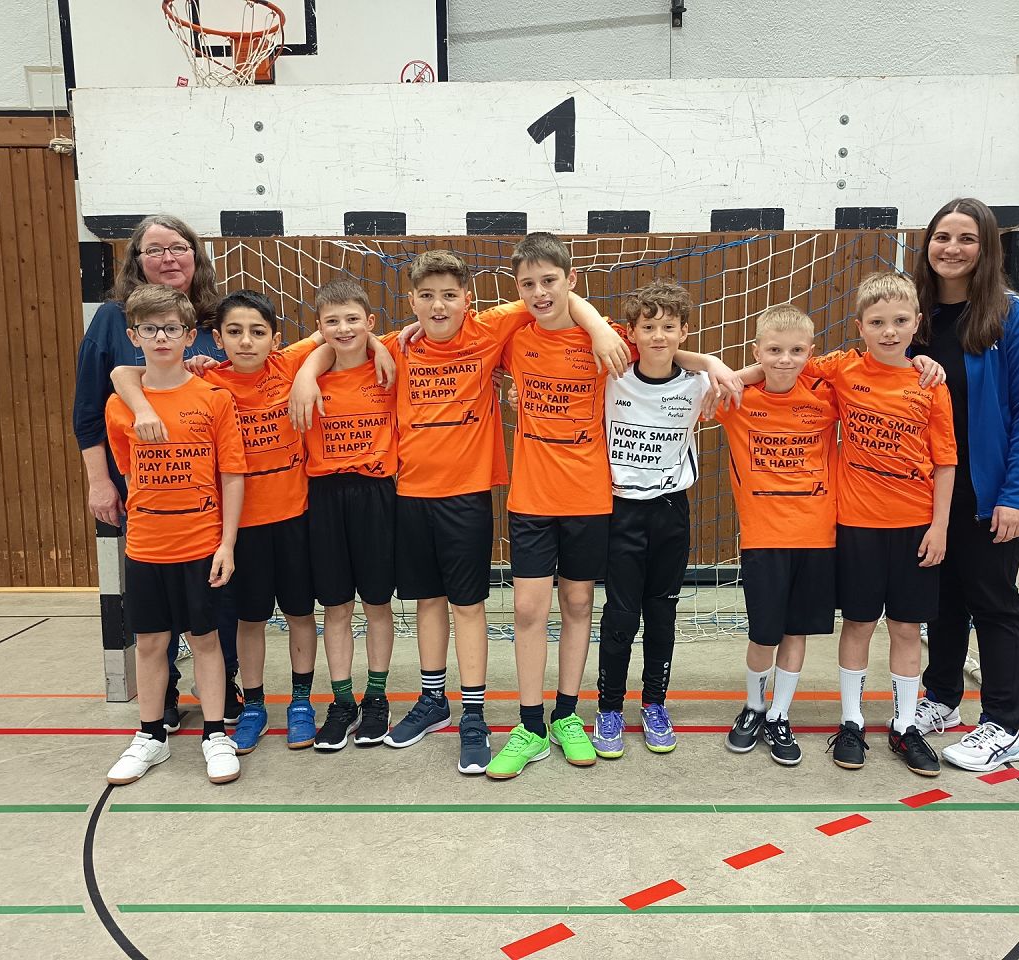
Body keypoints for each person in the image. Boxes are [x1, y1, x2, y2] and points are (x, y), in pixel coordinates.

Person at [290, 251, 628, 775]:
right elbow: (337, 341)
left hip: (469, 496)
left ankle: (475, 713)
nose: (438, 305)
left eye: (449, 295)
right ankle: (433, 702)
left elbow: (550, 298)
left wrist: (600, 329)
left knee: (469, 606)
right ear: (411, 302)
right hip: (409, 495)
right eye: (426, 296)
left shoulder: (490, 330)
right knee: (428, 600)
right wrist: (307, 374)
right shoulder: (397, 347)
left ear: (468, 299)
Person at [486, 234, 742, 781]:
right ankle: (529, 726)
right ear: (517, 289)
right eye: (528, 284)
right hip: (531, 497)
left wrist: (710, 359)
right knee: (528, 610)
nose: (540, 292)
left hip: (589, 497)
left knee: (579, 604)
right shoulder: (512, 335)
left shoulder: (605, 339)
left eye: (550, 281)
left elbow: (661, 347)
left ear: (572, 280)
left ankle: (566, 716)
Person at [109, 290, 341, 756]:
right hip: (239, 528)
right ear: (216, 339)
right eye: (234, 332)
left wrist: (307, 374)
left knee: (300, 614)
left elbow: (331, 338)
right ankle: (253, 705)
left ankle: (300, 702)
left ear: (275, 339)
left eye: (257, 332)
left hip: (295, 518)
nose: (246, 341)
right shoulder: (210, 379)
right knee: (249, 620)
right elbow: (124, 373)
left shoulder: (288, 364)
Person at [740, 273, 952, 777]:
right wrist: (730, 377)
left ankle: (905, 725)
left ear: (917, 324)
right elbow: (782, 363)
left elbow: (945, 461)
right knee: (857, 624)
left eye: (900, 321)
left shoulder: (930, 384)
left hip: (916, 525)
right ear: (860, 326)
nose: (889, 331)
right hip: (854, 525)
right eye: (877, 322)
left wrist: (940, 526)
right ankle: (852, 721)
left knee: (906, 628)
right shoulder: (841, 368)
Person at [72, 214, 241, 731]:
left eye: (178, 247)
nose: (168, 258)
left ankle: (222, 685)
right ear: (137, 260)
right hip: (146, 487)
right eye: (154, 250)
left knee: (213, 595)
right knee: (155, 604)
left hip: (209, 487)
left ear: (195, 254)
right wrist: (100, 482)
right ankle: (162, 692)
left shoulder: (216, 318)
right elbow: (91, 406)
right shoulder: (113, 318)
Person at [910, 198, 1019, 772]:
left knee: (993, 604)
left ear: (987, 248)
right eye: (942, 237)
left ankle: (1003, 723)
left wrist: (1016, 497)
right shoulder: (914, 315)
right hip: (929, 491)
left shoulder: (1015, 317)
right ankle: (942, 697)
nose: (951, 248)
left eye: (966, 238)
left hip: (989, 490)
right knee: (941, 601)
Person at [103, 285, 245, 785]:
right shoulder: (120, 405)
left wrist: (227, 543)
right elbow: (129, 472)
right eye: (150, 329)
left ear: (189, 336)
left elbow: (231, 474)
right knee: (149, 642)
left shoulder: (214, 398)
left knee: (205, 640)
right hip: (146, 544)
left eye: (171, 329)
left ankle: (215, 734)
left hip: (201, 543)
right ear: (134, 336)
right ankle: (150, 737)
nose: (161, 337)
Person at [591, 279, 710, 759]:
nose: (658, 336)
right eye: (648, 327)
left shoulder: (700, 383)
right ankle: (609, 708)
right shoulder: (610, 375)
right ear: (631, 332)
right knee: (620, 615)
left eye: (668, 326)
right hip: (621, 511)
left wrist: (715, 363)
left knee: (662, 613)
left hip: (670, 512)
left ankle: (654, 704)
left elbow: (764, 370)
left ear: (684, 331)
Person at [716, 305, 839, 766]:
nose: (785, 359)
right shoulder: (736, 399)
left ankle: (780, 715)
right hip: (763, 537)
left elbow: (866, 371)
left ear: (811, 352)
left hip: (817, 536)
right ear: (756, 352)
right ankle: (754, 706)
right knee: (763, 634)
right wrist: (746, 376)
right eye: (773, 350)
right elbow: (697, 384)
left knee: (795, 631)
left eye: (795, 351)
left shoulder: (827, 396)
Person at [301, 280, 401, 752]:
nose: (343, 329)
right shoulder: (305, 369)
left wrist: (378, 345)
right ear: (319, 328)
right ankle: (342, 702)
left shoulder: (391, 361)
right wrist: (307, 372)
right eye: (332, 321)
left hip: (377, 495)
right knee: (336, 607)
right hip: (323, 496)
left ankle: (376, 697)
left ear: (370, 322)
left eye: (353, 319)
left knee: (378, 604)